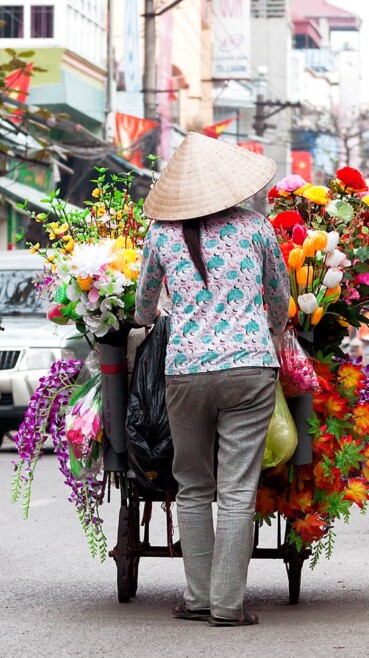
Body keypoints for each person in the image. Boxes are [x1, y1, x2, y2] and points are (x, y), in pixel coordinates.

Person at [134, 133, 288, 627]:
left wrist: (154, 316)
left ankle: (198, 597)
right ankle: (227, 605)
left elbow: (143, 306)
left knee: (193, 485)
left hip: (185, 371)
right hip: (250, 367)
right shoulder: (257, 227)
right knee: (238, 490)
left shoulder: (160, 234)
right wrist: (275, 333)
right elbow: (278, 297)